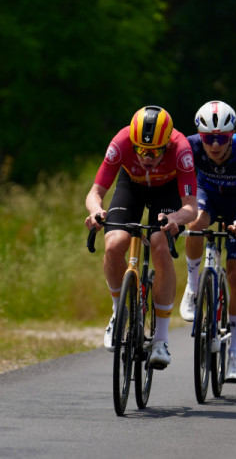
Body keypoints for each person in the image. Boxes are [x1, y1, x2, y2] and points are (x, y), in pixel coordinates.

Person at [85, 106, 198, 369]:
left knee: (159, 244)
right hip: (132, 186)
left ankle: (160, 339)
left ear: (167, 144)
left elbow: (191, 206)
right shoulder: (122, 141)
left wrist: (175, 219)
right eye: (141, 150)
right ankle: (118, 313)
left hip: (166, 192)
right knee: (114, 244)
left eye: (155, 151)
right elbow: (95, 192)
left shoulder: (181, 150)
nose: (147, 157)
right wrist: (96, 211)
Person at [180, 100, 236, 382]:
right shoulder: (190, 146)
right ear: (200, 136)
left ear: (232, 134)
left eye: (221, 138)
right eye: (208, 138)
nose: (214, 145)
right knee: (196, 222)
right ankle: (192, 288)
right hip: (208, 196)